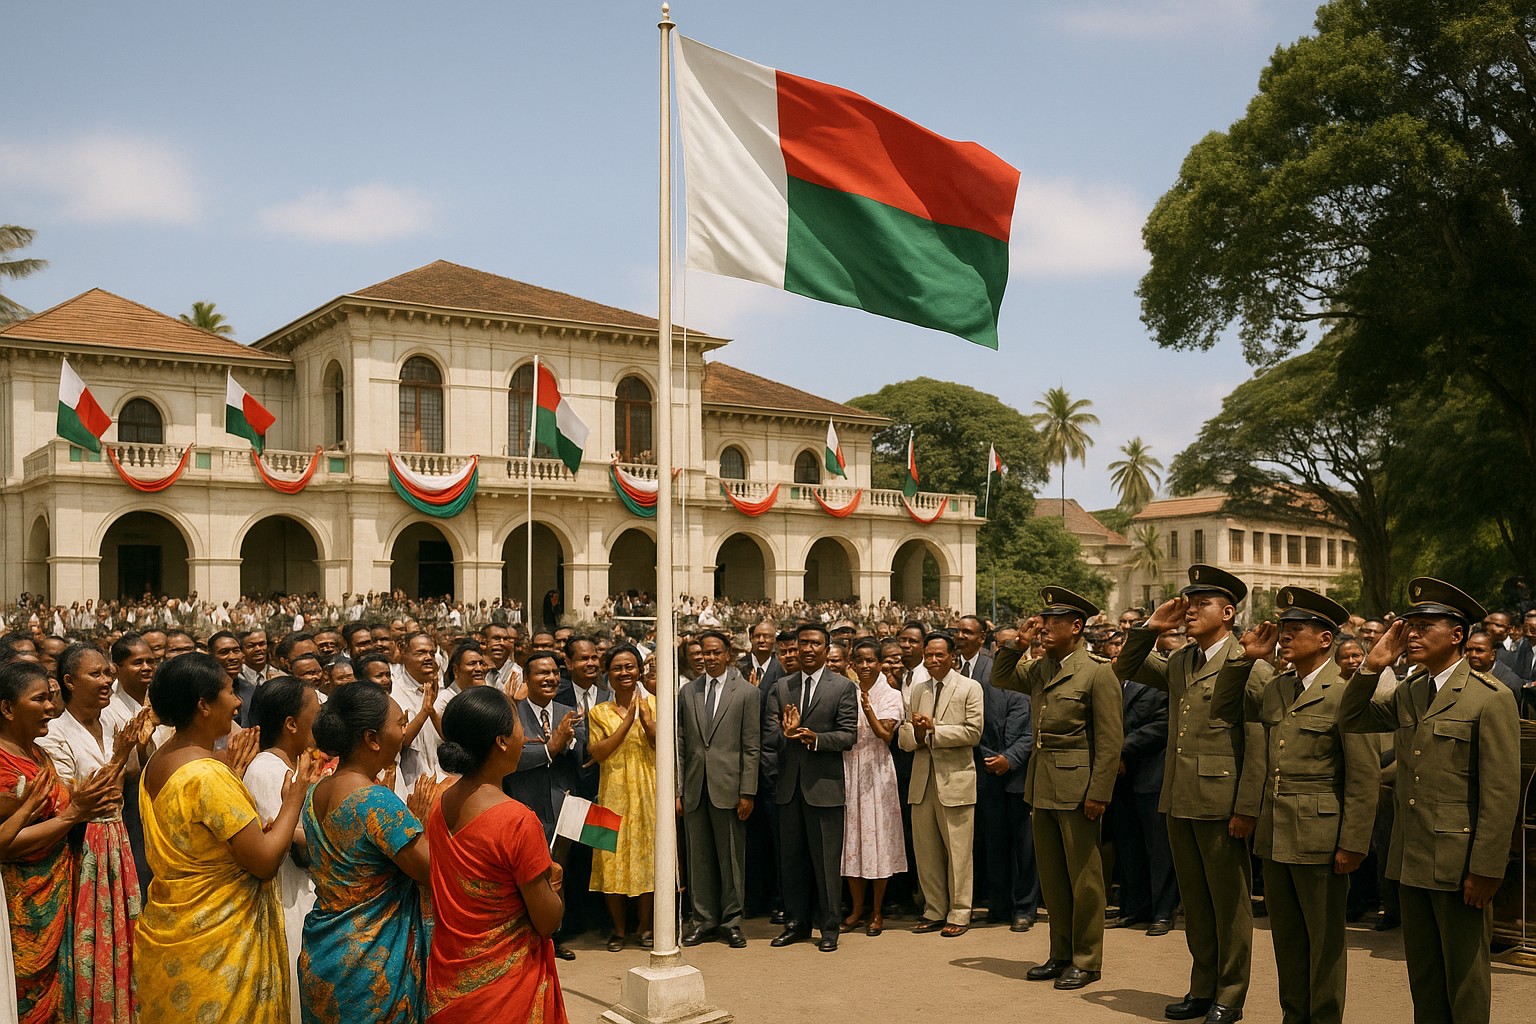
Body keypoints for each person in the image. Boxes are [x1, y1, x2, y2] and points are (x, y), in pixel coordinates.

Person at [1338, 578, 1520, 1024]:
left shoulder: (1489, 698)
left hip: (1460, 862)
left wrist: (1486, 868)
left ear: (1457, 634)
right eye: (1409, 626)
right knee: (1423, 973)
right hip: (1412, 856)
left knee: (1465, 976)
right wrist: (1372, 664)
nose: (1412, 634)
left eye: (1424, 626)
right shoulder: (1411, 689)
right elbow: (1351, 716)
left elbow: (1500, 793)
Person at [1215, 588, 1379, 1024]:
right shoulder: (1276, 687)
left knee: (1323, 941)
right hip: (1277, 832)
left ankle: (1322, 1017)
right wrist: (1246, 658)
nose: (1284, 637)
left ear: (1325, 639)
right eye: (1283, 629)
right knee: (1286, 938)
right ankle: (1294, 1014)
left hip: (1321, 835)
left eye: (1295, 630)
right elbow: (1224, 706)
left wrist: (1353, 843)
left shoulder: (1345, 693)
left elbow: (1362, 777)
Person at [1114, 566, 1269, 1024]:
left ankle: (1231, 993)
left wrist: (1246, 806)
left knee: (1229, 904)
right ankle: (1202, 987)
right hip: (1180, 795)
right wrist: (1150, 628)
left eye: (1200, 604)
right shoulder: (1183, 659)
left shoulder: (1249, 662)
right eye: (1187, 602)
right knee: (1196, 904)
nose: (1190, 611)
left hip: (1223, 802)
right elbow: (1124, 666)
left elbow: (1257, 738)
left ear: (1228, 611)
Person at [134, 653, 318, 1024]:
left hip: (175, 930)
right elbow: (265, 863)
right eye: (230, 691)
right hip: (219, 944)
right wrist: (295, 797)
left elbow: (198, 839)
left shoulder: (158, 761)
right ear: (203, 705)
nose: (238, 702)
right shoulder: (207, 775)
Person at [993, 587, 1121, 991]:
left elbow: (1110, 740)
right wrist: (1018, 642)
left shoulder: (1098, 671)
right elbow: (1000, 676)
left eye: (1052, 623)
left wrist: (1099, 793)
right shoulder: (1042, 667)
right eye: (1043, 622)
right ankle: (1060, 953)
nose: (1044, 628)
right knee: (1053, 878)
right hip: (1042, 785)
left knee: (1085, 880)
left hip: (1079, 787)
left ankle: (1087, 959)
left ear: (1077, 626)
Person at [427, 686, 567, 1023]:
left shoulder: (439, 801)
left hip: (450, 981)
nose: (525, 734)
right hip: (506, 989)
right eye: (519, 722)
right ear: (501, 741)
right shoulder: (516, 820)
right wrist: (554, 885)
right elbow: (548, 920)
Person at [300, 683, 435, 1024]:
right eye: (400, 723)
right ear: (372, 738)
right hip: (370, 961)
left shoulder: (317, 790)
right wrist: (420, 819)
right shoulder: (376, 800)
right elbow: (431, 870)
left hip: (325, 951)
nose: (405, 731)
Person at [0, 660, 120, 1024]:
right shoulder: (4, 764)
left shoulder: (37, 753)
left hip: (60, 890)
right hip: (23, 904)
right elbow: (6, 842)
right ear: (6, 708)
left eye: (51, 698)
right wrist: (72, 815)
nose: (51, 707)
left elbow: (72, 804)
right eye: (39, 700)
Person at [38, 644, 144, 1024]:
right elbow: (75, 801)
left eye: (107, 673)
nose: (107, 681)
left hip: (118, 842)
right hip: (79, 848)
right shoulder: (53, 735)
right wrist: (118, 757)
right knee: (88, 942)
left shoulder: (114, 724)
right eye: (95, 674)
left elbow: (125, 782)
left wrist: (123, 756)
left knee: (124, 941)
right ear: (68, 682)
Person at [765, 622, 859, 953]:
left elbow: (849, 736)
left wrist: (814, 738)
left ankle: (829, 926)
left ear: (826, 648)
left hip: (824, 787)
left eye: (815, 644)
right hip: (789, 788)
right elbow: (770, 735)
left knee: (825, 861)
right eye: (802, 643)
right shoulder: (781, 686)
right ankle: (797, 924)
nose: (807, 649)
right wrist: (786, 734)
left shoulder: (842, 687)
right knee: (792, 862)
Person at [243, 677, 321, 1024]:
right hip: (284, 898)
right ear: (291, 724)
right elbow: (280, 834)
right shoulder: (266, 770)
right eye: (316, 713)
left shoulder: (287, 767)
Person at [678, 630, 760, 949]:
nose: (709, 658)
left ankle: (731, 921)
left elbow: (752, 746)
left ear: (728, 655)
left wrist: (747, 791)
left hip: (730, 787)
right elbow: (681, 743)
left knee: (730, 857)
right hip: (696, 787)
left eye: (715, 653)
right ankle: (703, 920)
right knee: (698, 858)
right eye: (704, 653)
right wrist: (679, 789)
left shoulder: (747, 693)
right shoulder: (689, 692)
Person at [899, 632, 984, 937]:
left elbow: (973, 733)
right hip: (923, 780)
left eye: (939, 655)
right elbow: (905, 735)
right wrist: (918, 736)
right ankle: (934, 909)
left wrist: (933, 730)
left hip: (955, 780)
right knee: (926, 850)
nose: (933, 661)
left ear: (952, 657)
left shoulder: (969, 688)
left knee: (958, 852)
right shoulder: (918, 689)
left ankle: (960, 912)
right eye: (929, 656)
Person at [587, 644, 657, 950]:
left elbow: (663, 745)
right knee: (608, 857)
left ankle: (645, 928)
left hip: (648, 793)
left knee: (648, 859)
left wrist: (645, 720)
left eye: (630, 667)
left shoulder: (655, 703)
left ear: (639, 670)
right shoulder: (598, 711)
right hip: (610, 793)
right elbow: (598, 752)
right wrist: (627, 722)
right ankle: (618, 930)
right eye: (617, 668)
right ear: (608, 675)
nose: (624, 673)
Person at [839, 639, 906, 936]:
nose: (865, 666)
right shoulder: (846, 692)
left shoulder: (891, 695)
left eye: (871, 661)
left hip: (877, 771)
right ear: (852, 664)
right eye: (860, 661)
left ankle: (877, 912)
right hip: (849, 769)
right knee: (852, 841)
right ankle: (856, 910)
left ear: (880, 663)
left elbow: (885, 736)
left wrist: (868, 711)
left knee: (878, 841)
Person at [1108, 650, 1177, 936]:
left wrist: (1121, 747)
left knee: (1159, 847)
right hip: (1120, 778)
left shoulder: (1159, 683)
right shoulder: (1113, 682)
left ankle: (1162, 912)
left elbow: (1163, 724)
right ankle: (1134, 907)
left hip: (1151, 773)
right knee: (1128, 847)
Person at [975, 646, 1039, 933]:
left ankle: (1025, 909)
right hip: (990, 777)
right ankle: (999, 906)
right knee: (995, 846)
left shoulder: (1030, 687)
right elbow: (976, 728)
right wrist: (992, 758)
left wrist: (1009, 759)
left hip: (1021, 779)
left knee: (1025, 850)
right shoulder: (984, 689)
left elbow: (1033, 732)